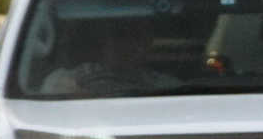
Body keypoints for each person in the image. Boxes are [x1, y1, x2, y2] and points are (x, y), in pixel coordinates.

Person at [41, 18, 179, 97]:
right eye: (121, 35)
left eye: (138, 37)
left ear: (149, 44)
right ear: (103, 38)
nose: (130, 44)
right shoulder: (66, 79)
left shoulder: (167, 86)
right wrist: (70, 94)